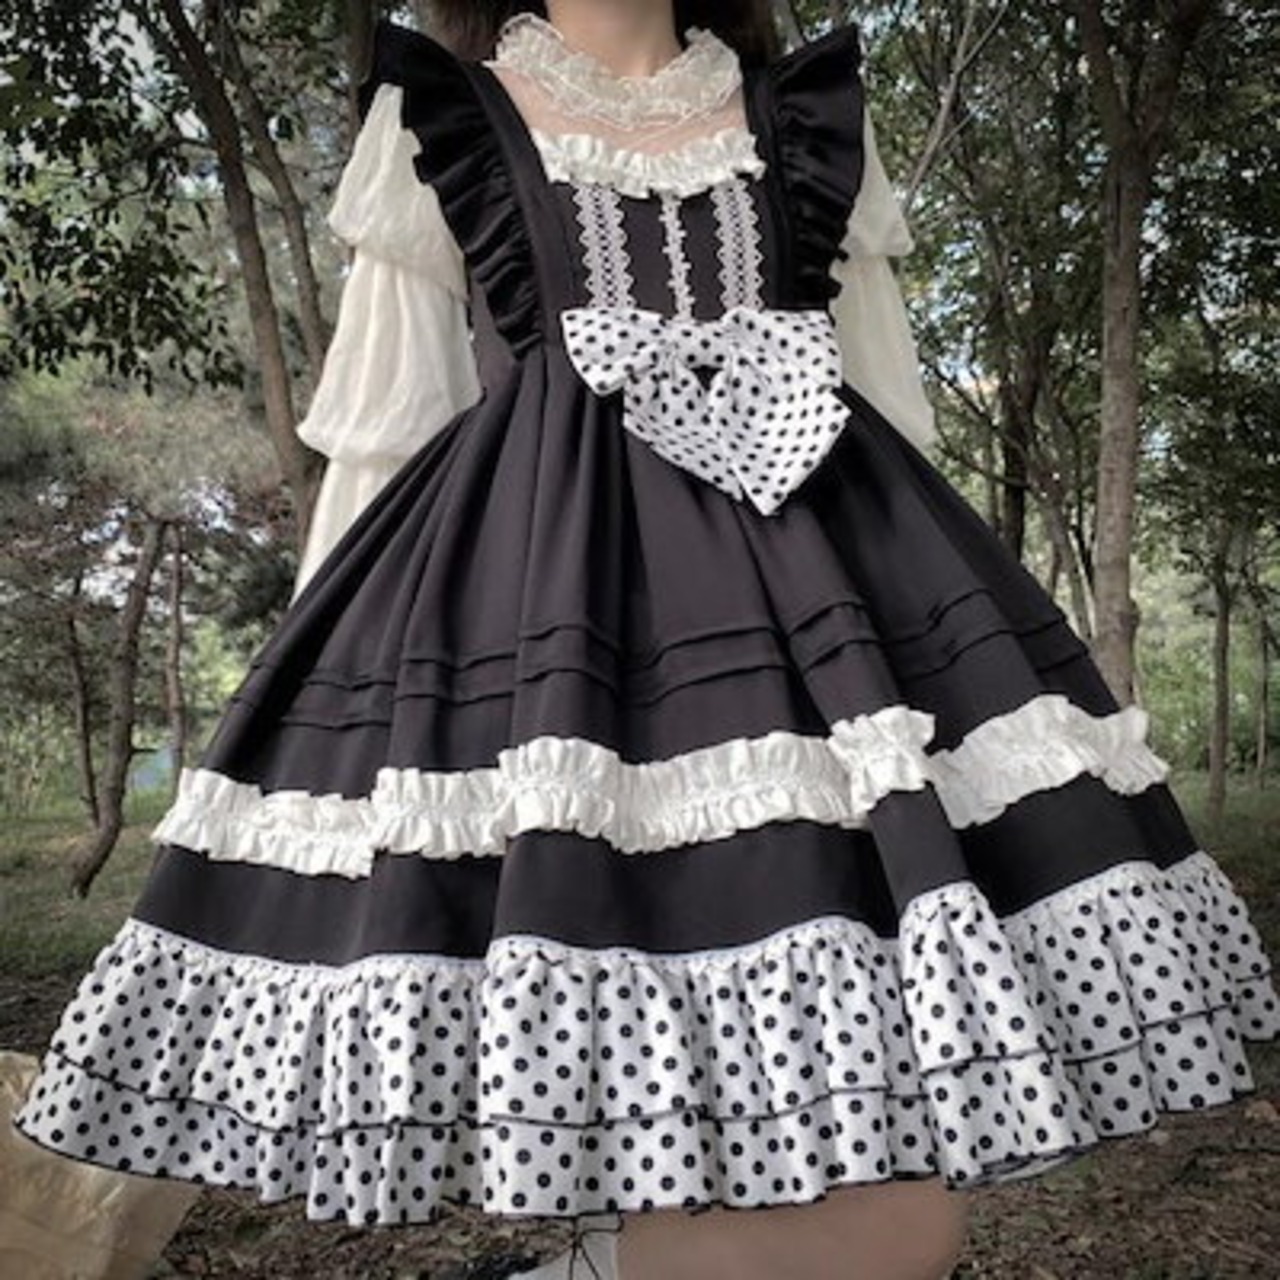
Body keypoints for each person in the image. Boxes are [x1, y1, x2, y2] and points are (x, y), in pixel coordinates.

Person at [13, 2, 1279, 1278]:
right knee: (669, 1106)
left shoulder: (803, 115)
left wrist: (922, 645)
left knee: (892, 1200)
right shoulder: (447, 111)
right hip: (555, 648)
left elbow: (883, 402)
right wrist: (339, 711)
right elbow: (384, 434)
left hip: (821, 644)